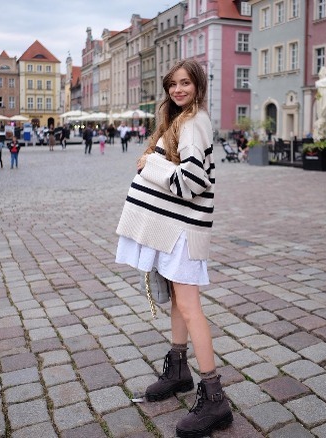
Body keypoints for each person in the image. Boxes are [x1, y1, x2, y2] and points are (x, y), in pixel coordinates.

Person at [115, 59, 230, 438]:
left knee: (190, 306)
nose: (178, 89)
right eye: (172, 84)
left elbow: (191, 182)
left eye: (185, 83)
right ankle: (179, 369)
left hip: (183, 231)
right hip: (173, 229)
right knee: (181, 304)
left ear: (197, 85)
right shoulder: (180, 120)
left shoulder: (194, 123)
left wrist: (151, 164)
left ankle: (214, 398)